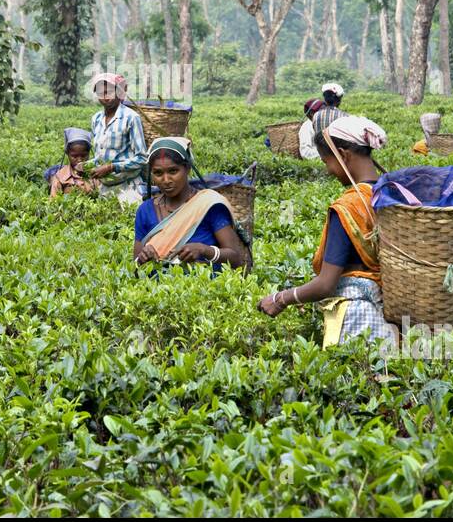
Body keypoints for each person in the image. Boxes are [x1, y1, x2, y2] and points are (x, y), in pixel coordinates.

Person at [257, 115, 397, 349]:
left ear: (344, 155)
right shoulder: (391, 193)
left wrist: (280, 299)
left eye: (326, 161)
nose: (329, 170)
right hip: (389, 313)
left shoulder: (348, 207)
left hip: (356, 317)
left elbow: (325, 284)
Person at [133, 137, 247, 272]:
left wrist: (204, 250)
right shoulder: (145, 210)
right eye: (158, 173)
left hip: (203, 287)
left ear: (187, 169)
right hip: (157, 289)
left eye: (173, 171)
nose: (166, 180)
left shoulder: (208, 205)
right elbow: (135, 264)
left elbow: (236, 259)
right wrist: (144, 257)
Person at [88, 72, 147, 204]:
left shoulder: (131, 118)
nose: (105, 96)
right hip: (104, 189)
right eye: (100, 92)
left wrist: (111, 167)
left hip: (128, 189)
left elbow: (142, 158)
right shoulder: (96, 119)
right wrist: (87, 166)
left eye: (109, 91)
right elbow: (100, 156)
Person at [49, 128, 98, 196]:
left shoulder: (96, 173)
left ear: (89, 153)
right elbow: (53, 200)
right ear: (67, 154)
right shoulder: (60, 176)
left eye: (83, 156)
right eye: (74, 156)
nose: (79, 160)